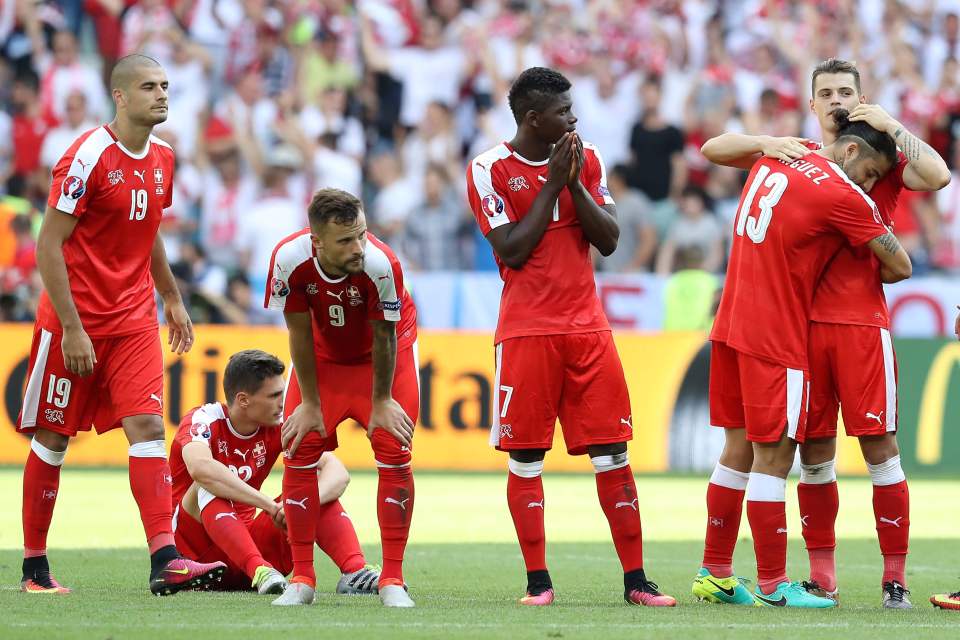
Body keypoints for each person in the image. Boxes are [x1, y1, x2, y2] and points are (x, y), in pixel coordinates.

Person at [698, 58, 951, 609]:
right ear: (812, 104)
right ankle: (822, 578)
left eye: (846, 92)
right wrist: (766, 141)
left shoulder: (882, 158)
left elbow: (937, 175)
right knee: (813, 455)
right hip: (800, 328)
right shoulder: (797, 155)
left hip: (861, 323)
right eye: (826, 93)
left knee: (881, 448)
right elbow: (714, 150)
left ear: (862, 100)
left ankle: (894, 580)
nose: (836, 100)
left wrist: (892, 124)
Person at [466, 66, 675, 608]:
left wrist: (574, 180)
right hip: (527, 332)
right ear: (534, 119)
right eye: (563, 112)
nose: (573, 119)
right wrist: (554, 184)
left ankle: (637, 581)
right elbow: (512, 249)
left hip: (588, 329)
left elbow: (607, 239)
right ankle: (538, 584)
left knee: (614, 453)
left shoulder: (589, 157)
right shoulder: (488, 169)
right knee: (527, 458)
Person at [17, 54, 225, 595]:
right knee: (52, 437)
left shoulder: (164, 158)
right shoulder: (87, 158)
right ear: (120, 96)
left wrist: (172, 297)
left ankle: (166, 558)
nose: (161, 94)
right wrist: (73, 327)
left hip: (133, 318)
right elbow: (48, 245)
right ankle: (34, 568)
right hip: (75, 320)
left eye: (165, 85)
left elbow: (147, 225)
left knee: (149, 429)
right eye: (149, 86)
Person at [265, 188, 418, 608]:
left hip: (384, 358)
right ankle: (302, 578)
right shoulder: (288, 261)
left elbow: (385, 336)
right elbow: (298, 332)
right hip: (325, 358)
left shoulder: (382, 264)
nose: (358, 247)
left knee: (394, 449)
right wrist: (310, 404)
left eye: (363, 235)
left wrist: (383, 400)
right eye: (346, 240)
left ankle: (392, 580)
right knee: (299, 447)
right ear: (317, 242)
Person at [170, 349, 380, 598]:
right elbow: (201, 469)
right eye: (274, 396)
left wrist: (300, 504)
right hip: (198, 560)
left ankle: (355, 571)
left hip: (257, 556)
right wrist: (269, 505)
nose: (283, 402)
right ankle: (259, 570)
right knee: (205, 485)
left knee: (309, 490)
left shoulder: (280, 424)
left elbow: (337, 471)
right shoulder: (204, 419)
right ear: (244, 399)